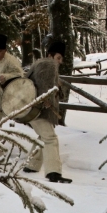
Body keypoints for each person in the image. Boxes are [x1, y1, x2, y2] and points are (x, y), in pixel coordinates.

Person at [23, 41, 72, 184]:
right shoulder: (49, 64)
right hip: (40, 110)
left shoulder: (39, 63)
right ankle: (53, 172)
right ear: (51, 55)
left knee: (42, 136)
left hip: (33, 108)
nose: (60, 61)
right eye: (58, 57)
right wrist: (47, 99)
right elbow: (45, 87)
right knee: (50, 138)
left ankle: (31, 166)